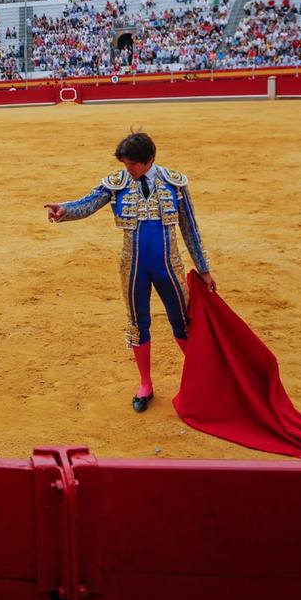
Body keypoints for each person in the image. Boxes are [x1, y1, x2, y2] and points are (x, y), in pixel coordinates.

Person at [44, 131, 215, 413]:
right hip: (133, 266)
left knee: (183, 321)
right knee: (138, 323)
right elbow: (89, 202)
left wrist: (204, 268)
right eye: (125, 164)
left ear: (149, 160)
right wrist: (64, 210)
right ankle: (145, 384)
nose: (128, 170)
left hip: (168, 265)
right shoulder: (119, 182)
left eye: (132, 164)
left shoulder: (174, 182)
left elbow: (190, 228)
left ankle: (202, 380)